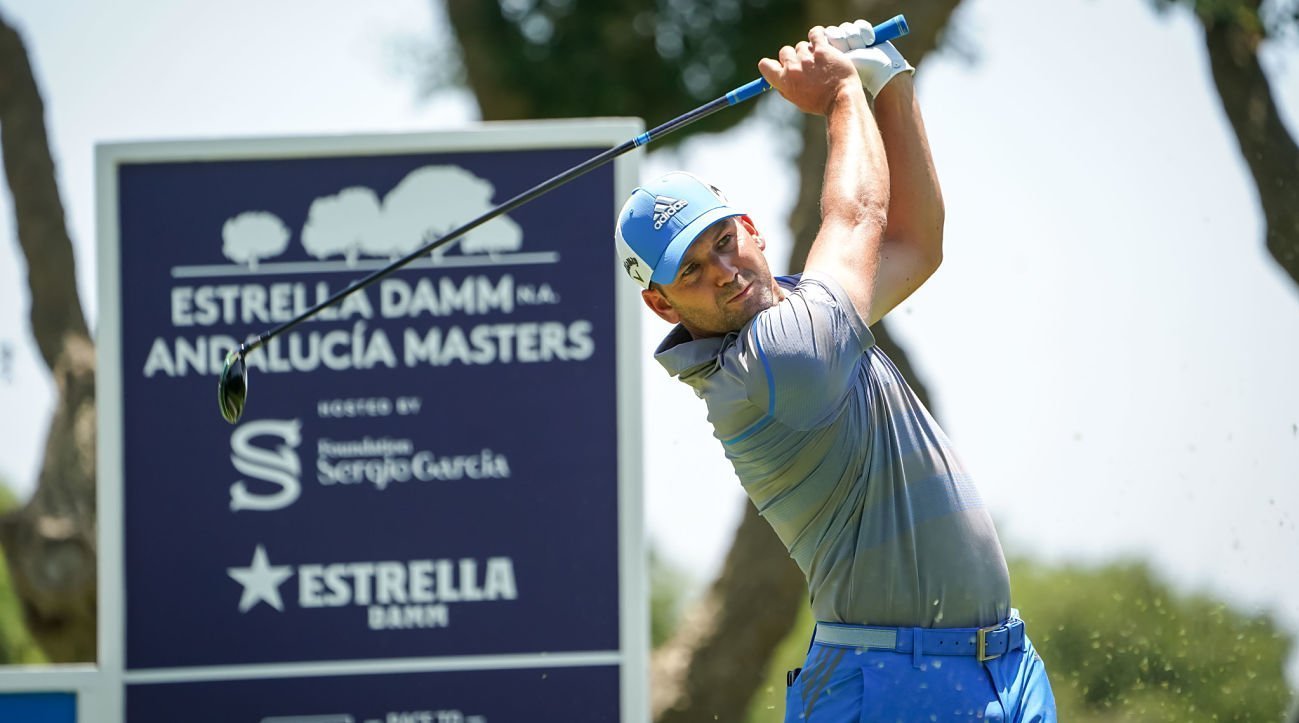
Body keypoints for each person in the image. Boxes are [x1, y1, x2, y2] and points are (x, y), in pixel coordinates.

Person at [614, 21, 1057, 723]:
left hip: (1001, 666)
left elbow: (914, 240)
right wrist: (845, 91)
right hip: (888, 684)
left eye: (724, 242)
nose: (724, 273)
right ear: (658, 300)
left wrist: (890, 81)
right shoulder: (771, 366)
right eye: (691, 271)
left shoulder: (810, 319)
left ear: (752, 228)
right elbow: (857, 213)